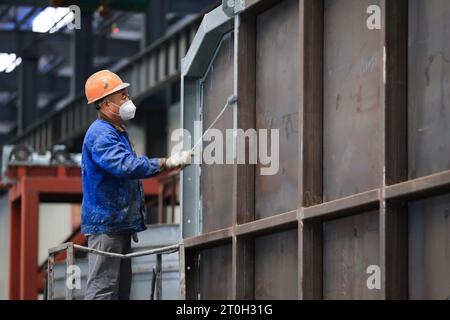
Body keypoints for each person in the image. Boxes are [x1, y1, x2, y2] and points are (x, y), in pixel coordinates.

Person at [81, 69, 191, 300]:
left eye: (126, 95)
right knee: (103, 291)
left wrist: (170, 166)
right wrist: (166, 162)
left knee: (120, 292)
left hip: (117, 224)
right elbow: (125, 166)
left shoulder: (117, 131)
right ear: (105, 103)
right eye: (122, 96)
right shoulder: (100, 134)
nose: (128, 101)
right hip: (106, 225)